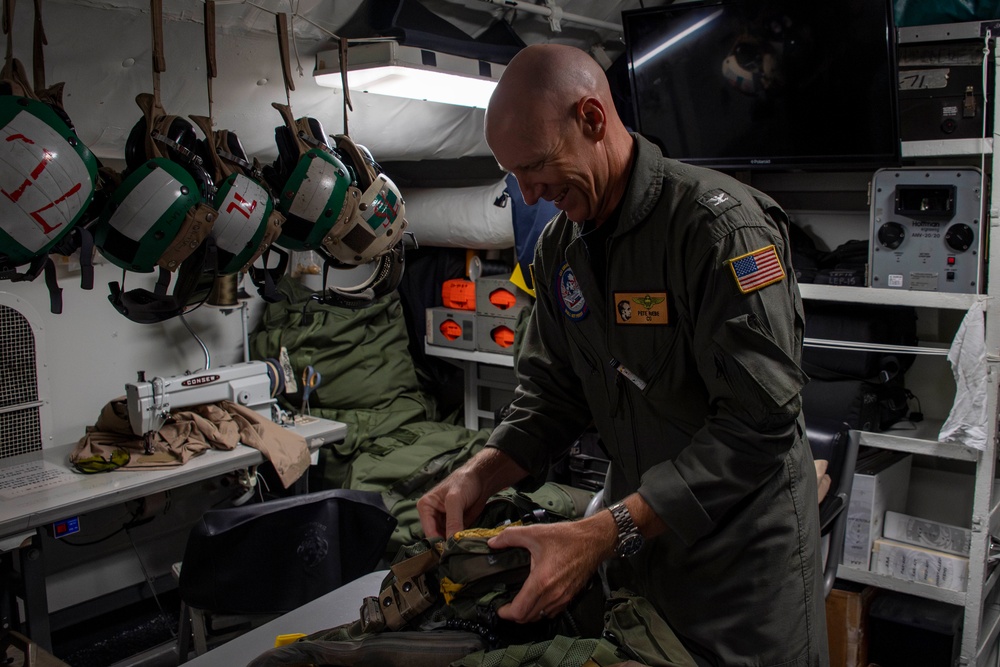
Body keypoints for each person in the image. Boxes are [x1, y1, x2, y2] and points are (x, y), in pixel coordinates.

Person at [417, 43, 827, 667]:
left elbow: (757, 425)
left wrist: (602, 533)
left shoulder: (719, 230)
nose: (528, 196)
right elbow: (553, 391)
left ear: (592, 119)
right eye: (514, 177)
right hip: (639, 557)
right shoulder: (559, 249)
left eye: (536, 167)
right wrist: (484, 470)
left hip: (740, 578)